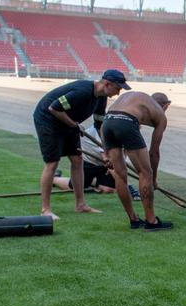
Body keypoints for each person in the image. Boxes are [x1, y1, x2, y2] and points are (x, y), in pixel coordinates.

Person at [32, 69, 130, 220]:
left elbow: (99, 124)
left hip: (69, 122)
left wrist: (107, 150)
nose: (117, 93)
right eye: (117, 88)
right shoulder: (82, 91)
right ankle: (45, 210)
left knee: (78, 160)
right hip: (48, 120)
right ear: (107, 84)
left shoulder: (101, 98)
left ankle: (80, 205)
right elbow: (54, 107)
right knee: (52, 163)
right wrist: (74, 125)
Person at [101, 91, 173, 231]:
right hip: (126, 121)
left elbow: (116, 129)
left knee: (120, 174)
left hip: (108, 121)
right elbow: (154, 152)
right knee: (145, 173)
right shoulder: (160, 114)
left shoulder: (137, 102)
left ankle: (133, 219)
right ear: (166, 106)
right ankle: (151, 221)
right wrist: (153, 179)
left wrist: (106, 153)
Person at [52, 123, 140, 200]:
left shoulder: (127, 132)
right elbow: (110, 163)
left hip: (103, 163)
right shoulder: (104, 130)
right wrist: (127, 187)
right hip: (88, 160)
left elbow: (120, 160)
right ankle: (54, 178)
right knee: (75, 187)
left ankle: (93, 181)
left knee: (108, 189)